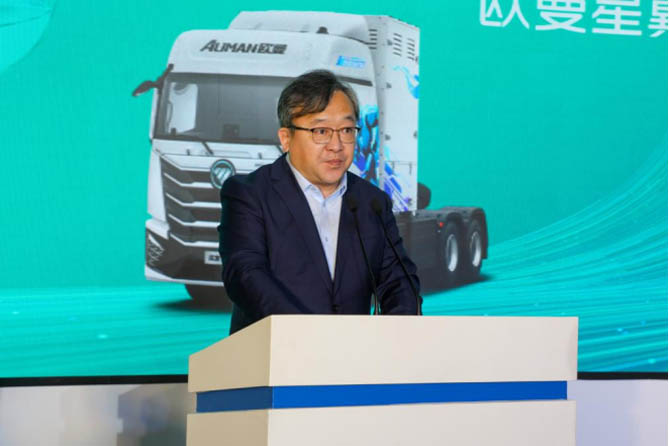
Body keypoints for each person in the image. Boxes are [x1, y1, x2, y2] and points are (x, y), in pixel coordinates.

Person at [218, 70, 420, 334]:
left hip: (354, 355)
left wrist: (398, 335)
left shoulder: (372, 202)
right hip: (276, 351)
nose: (336, 145)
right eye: (321, 131)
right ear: (286, 139)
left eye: (346, 130)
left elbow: (399, 282)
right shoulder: (250, 194)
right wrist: (309, 337)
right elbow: (245, 276)